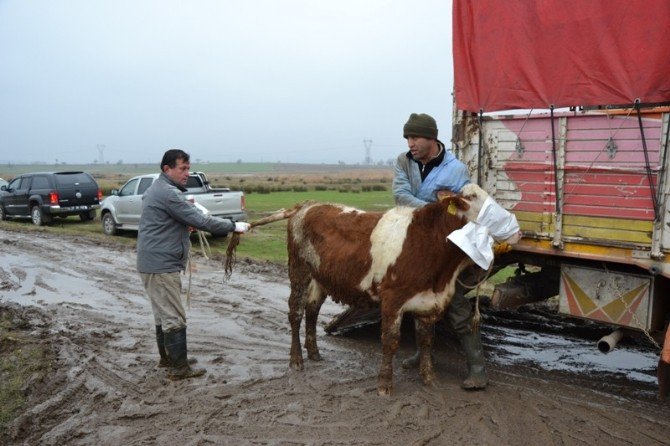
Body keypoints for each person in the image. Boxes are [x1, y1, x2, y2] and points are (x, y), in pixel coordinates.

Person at [392, 112, 487, 390]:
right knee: (420, 301)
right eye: (408, 137)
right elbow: (399, 195)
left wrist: (429, 210)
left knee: (456, 304)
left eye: (415, 137)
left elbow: (459, 211)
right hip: (414, 247)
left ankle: (477, 368)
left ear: (432, 138)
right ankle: (422, 354)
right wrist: (435, 208)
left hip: (447, 248)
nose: (411, 143)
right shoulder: (403, 161)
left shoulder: (456, 170)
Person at [137, 149, 251, 381]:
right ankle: (179, 369)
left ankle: (169, 359)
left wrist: (181, 226)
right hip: (161, 265)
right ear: (166, 169)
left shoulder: (158, 190)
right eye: (182, 169)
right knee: (173, 317)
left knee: (163, 315)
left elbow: (174, 220)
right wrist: (233, 226)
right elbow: (202, 220)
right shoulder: (168, 193)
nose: (187, 173)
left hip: (154, 262)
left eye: (189, 168)